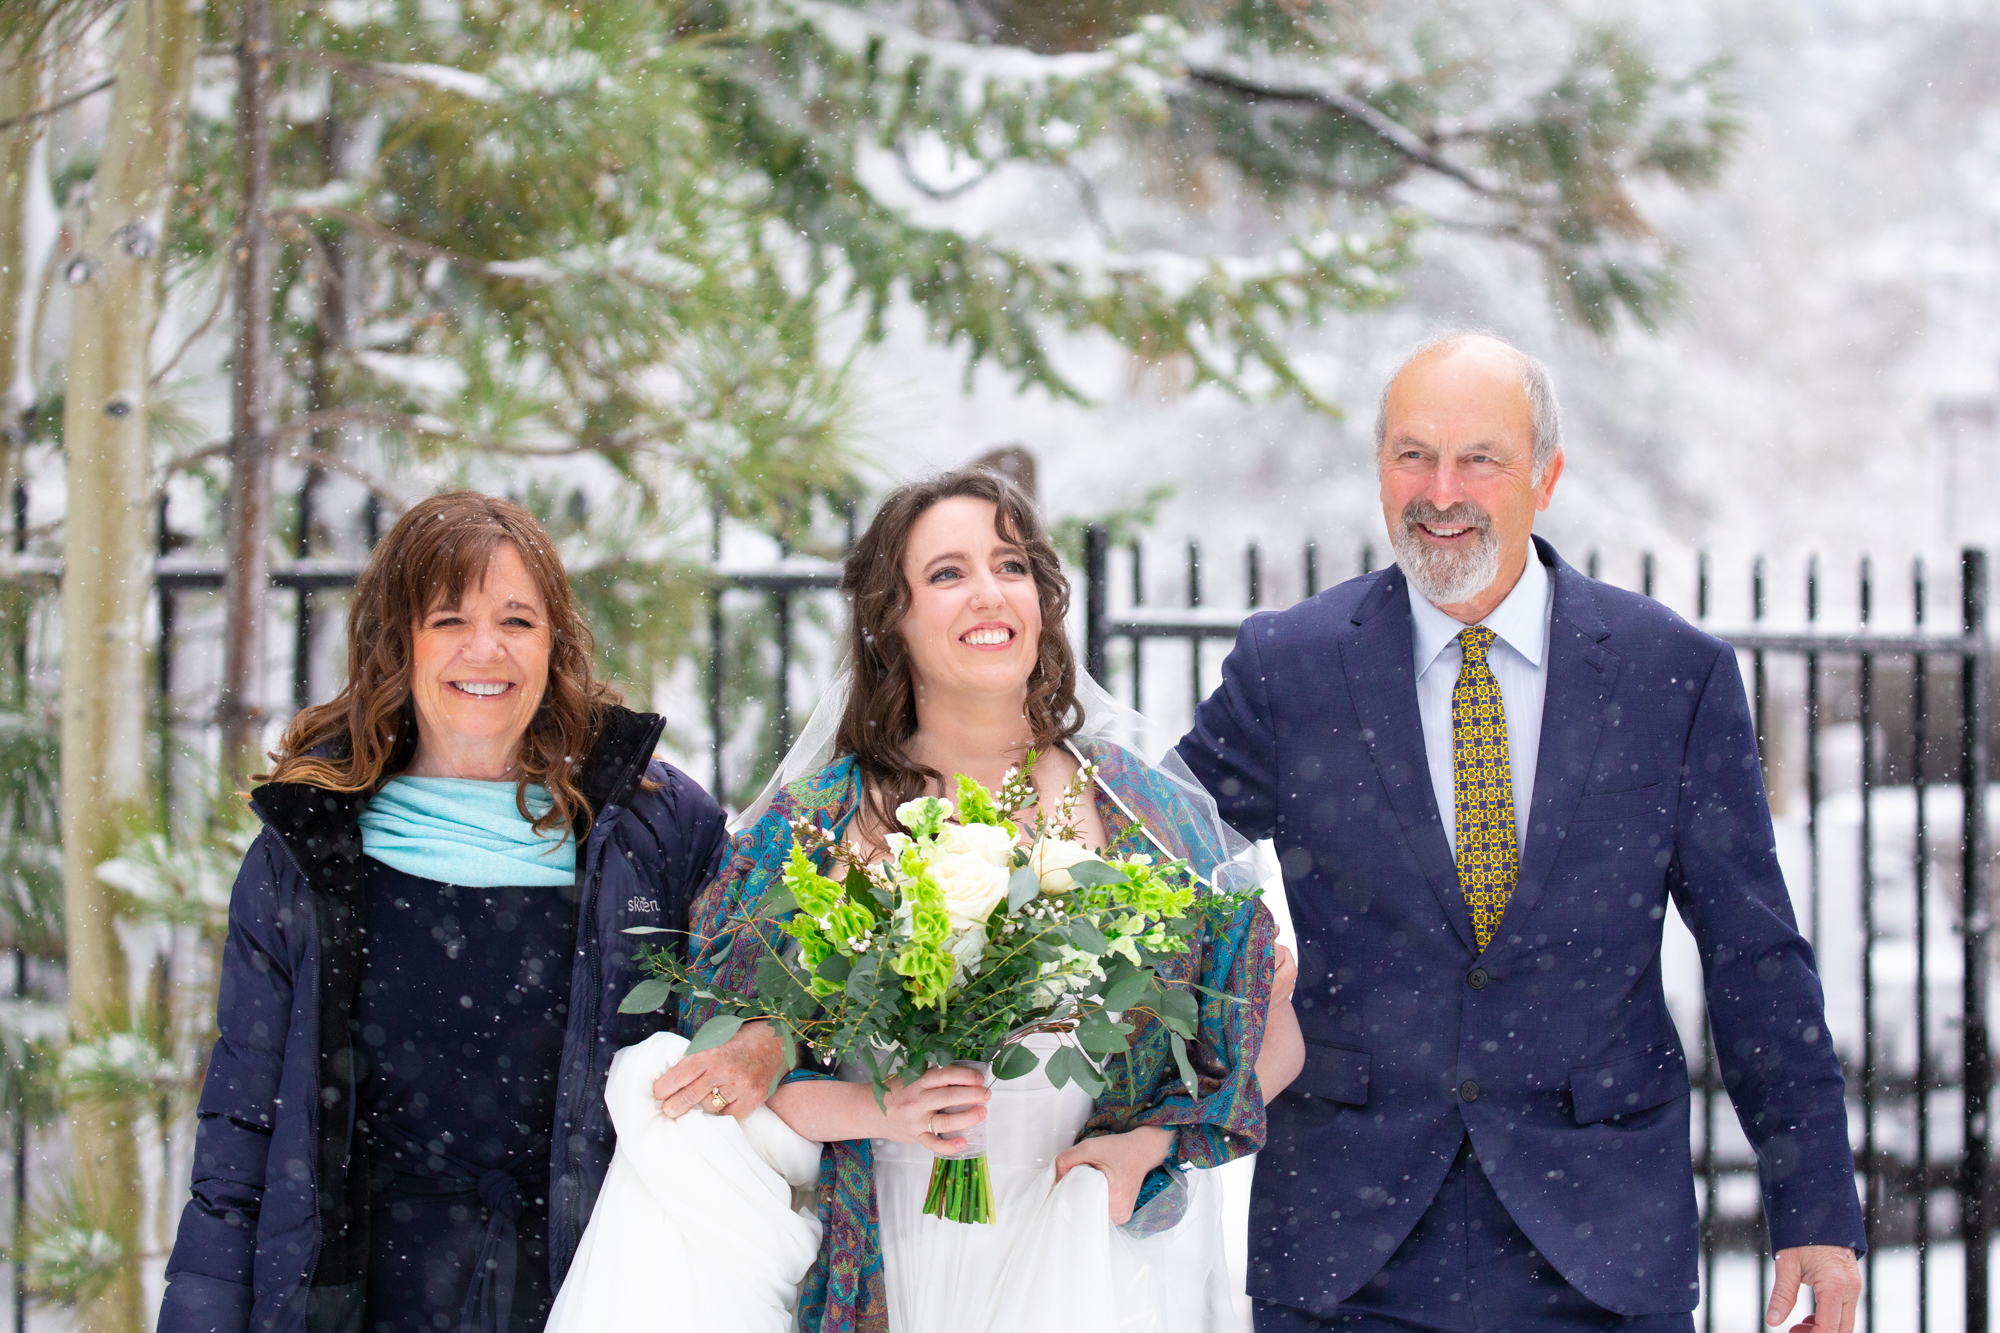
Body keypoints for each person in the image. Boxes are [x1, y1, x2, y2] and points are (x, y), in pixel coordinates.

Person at [1176, 333, 1866, 1333]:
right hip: (1344, 1249)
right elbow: (1146, 870)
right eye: (1412, 454)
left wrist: (1813, 1207)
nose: (1439, 489)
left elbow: (1753, 956)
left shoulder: (1668, 674)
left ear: (1544, 474)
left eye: (1477, 459)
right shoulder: (1291, 668)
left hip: (1599, 1248)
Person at [668, 467, 1300, 1333]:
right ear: (891, 618)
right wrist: (878, 1108)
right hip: (901, 1242)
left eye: (1010, 565)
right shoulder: (816, 827)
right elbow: (740, 1074)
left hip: (1092, 1247)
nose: (988, 593)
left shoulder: (1133, 808)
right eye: (946, 573)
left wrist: (1147, 1147)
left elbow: (1269, 1040)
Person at [156, 492, 745, 1333]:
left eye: (517, 619)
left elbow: (766, 981)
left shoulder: (648, 823)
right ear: (398, 641)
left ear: (555, 643)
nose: (486, 650)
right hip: (367, 1298)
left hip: (597, 1290)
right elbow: (241, 1140)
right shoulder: (307, 849)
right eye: (448, 619)